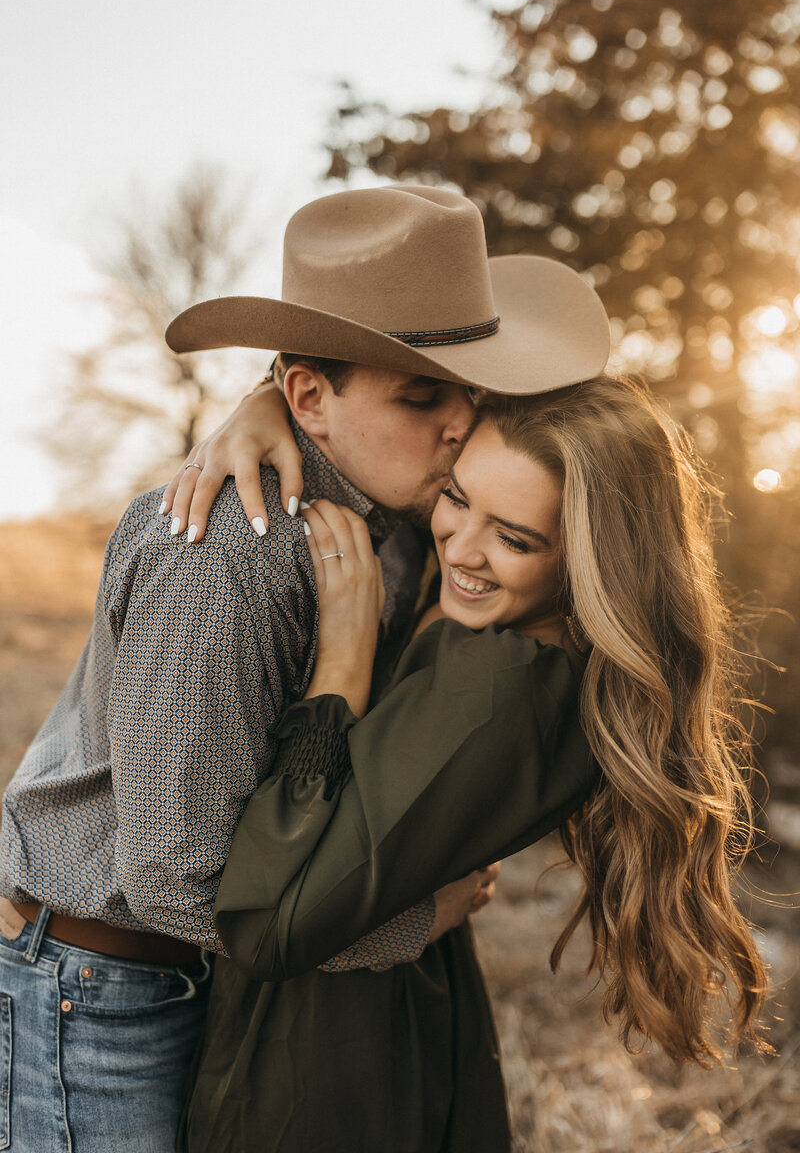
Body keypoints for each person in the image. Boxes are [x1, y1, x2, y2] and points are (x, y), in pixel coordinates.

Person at [0, 183, 608, 1152]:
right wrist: (406, 919)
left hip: (222, 979)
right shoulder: (222, 557)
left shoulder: (411, 507)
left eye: (471, 393)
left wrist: (259, 401)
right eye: (421, 394)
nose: (460, 425)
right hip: (103, 983)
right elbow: (170, 877)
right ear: (311, 399)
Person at [169, 375, 769, 1153]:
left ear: (592, 558)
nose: (462, 546)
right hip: (363, 1034)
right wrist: (265, 406)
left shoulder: (502, 689)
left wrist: (341, 669)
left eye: (515, 539)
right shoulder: (478, 609)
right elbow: (372, 410)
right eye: (455, 497)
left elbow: (265, 928)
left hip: (326, 1079)